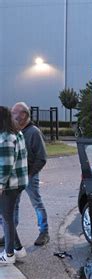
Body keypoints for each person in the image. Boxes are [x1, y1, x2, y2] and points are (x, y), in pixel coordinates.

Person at [0, 102, 49, 246]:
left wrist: (31, 174)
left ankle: (44, 232)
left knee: (36, 203)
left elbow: (42, 157)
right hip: (15, 177)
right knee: (13, 206)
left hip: (29, 175)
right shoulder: (15, 131)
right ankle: (11, 236)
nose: (12, 115)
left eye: (14, 112)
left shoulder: (33, 132)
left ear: (24, 115)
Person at [0, 106, 29, 263]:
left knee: (6, 217)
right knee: (7, 216)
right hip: (18, 183)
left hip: (10, 185)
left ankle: (9, 254)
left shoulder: (5, 138)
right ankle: (18, 249)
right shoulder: (16, 133)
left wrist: (0, 185)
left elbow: (5, 165)